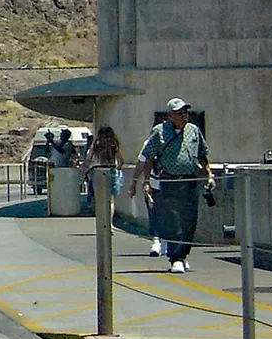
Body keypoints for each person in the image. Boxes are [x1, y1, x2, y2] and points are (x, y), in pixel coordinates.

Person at [129, 97, 215, 274]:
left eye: (186, 112)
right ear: (170, 115)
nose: (184, 116)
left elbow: (202, 154)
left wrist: (209, 175)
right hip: (168, 181)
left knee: (189, 221)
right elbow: (149, 157)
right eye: (180, 113)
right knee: (172, 222)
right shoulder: (159, 132)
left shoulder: (193, 131)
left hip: (189, 180)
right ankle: (175, 257)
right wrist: (145, 182)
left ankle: (183, 254)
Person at [83, 126, 123, 213]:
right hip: (111, 170)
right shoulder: (114, 145)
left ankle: (100, 221)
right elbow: (120, 161)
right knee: (111, 200)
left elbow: (88, 157)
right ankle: (110, 222)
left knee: (99, 198)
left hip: (98, 170)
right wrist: (118, 169)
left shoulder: (96, 144)